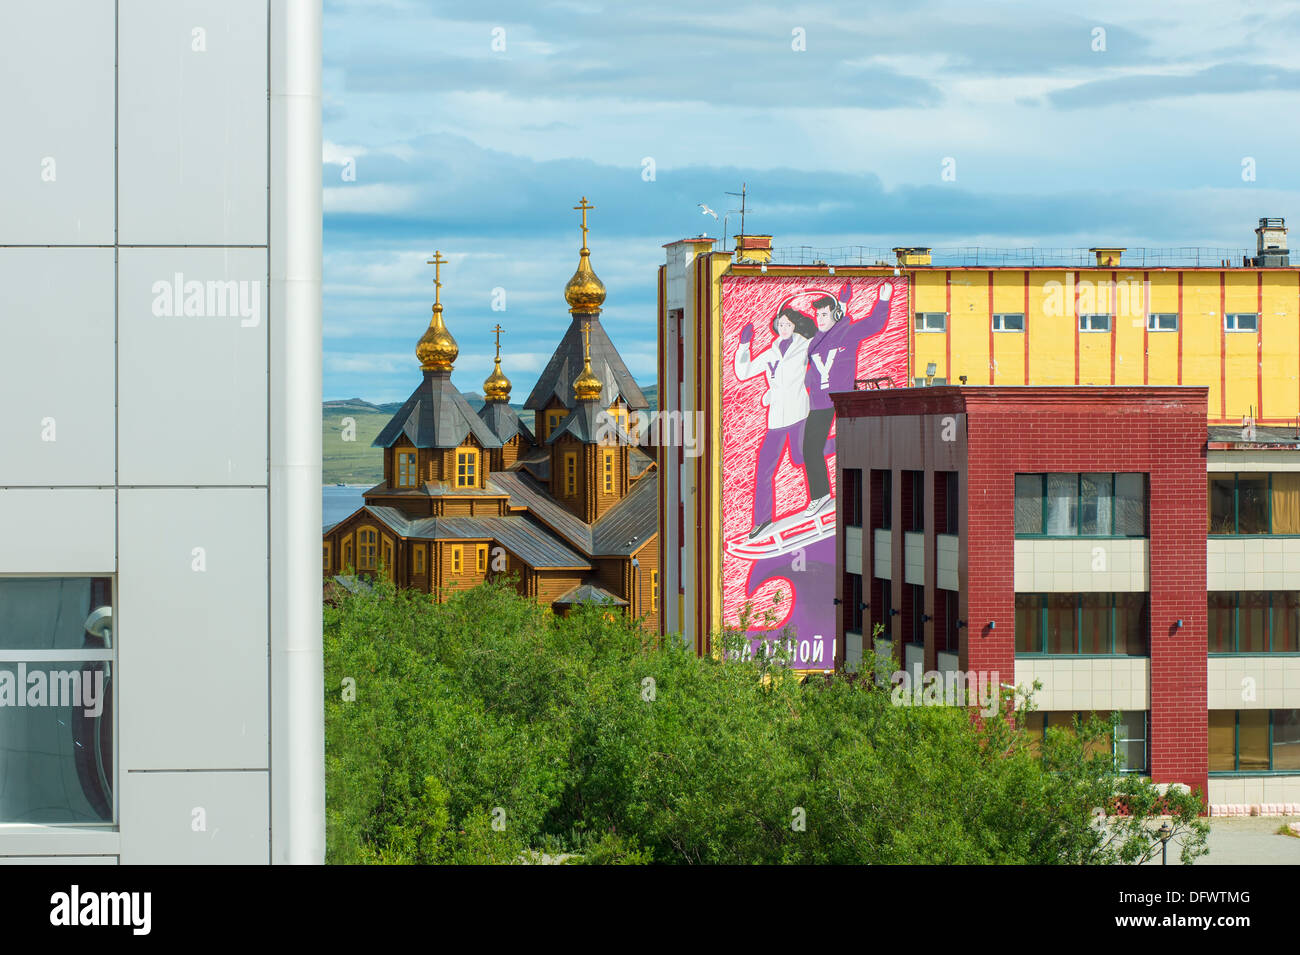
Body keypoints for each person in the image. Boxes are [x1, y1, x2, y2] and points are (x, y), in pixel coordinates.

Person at [798, 281, 893, 517]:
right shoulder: (814, 342)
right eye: (818, 314)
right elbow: (809, 372)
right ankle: (820, 494)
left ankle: (863, 489)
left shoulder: (847, 333)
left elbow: (874, 324)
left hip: (842, 399)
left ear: (836, 314)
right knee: (810, 448)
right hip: (819, 402)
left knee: (853, 445)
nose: (819, 318)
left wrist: (883, 301)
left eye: (824, 314)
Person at [734, 306, 818, 539]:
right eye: (780, 324)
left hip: (799, 414)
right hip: (776, 420)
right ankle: (762, 520)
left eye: (788, 324)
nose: (784, 328)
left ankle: (836, 447)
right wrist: (744, 346)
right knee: (763, 470)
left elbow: (826, 350)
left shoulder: (805, 346)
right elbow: (743, 372)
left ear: (795, 326)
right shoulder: (770, 353)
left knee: (800, 457)